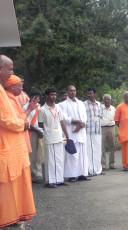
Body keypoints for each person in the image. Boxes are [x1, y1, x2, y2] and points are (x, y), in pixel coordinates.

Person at [0, 55, 36, 227]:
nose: (12, 72)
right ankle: (6, 217)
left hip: (15, 145)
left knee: (16, 183)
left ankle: (14, 215)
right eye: (10, 69)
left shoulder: (6, 94)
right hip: (6, 145)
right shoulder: (4, 94)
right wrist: (23, 123)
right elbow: (6, 120)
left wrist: (24, 119)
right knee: (7, 185)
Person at [38, 88, 70, 188]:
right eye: (51, 95)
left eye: (55, 95)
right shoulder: (42, 110)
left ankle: (60, 180)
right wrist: (48, 132)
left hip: (59, 137)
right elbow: (40, 124)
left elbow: (61, 122)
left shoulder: (58, 107)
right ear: (47, 96)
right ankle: (50, 181)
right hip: (49, 137)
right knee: (51, 161)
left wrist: (66, 134)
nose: (53, 97)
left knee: (60, 159)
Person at [60, 85, 89, 182]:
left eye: (74, 91)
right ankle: (71, 175)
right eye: (71, 91)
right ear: (67, 92)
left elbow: (85, 116)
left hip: (81, 131)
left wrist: (80, 125)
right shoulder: (62, 105)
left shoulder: (81, 103)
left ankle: (82, 174)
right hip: (70, 131)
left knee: (82, 153)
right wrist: (76, 122)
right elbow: (64, 118)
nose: (73, 92)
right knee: (72, 153)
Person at [23, 90, 45, 184]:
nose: (37, 99)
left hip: (39, 132)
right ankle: (34, 176)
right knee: (32, 156)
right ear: (31, 97)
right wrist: (38, 131)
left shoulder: (39, 106)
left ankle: (42, 174)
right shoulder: (26, 107)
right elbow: (26, 122)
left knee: (39, 154)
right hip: (31, 133)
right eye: (35, 97)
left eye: (38, 98)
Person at [84, 87, 103, 176]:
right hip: (88, 131)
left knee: (97, 150)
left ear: (95, 94)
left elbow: (100, 117)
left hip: (97, 131)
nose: (89, 95)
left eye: (91, 93)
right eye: (88, 93)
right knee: (89, 151)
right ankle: (90, 170)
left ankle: (98, 169)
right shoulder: (84, 104)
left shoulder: (99, 105)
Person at [101, 94, 116, 170]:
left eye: (108, 99)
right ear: (103, 100)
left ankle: (112, 163)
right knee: (102, 147)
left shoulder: (113, 109)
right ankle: (103, 164)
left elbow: (116, 118)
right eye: (105, 99)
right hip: (102, 128)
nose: (107, 101)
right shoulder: (100, 108)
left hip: (111, 128)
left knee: (112, 146)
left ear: (110, 100)